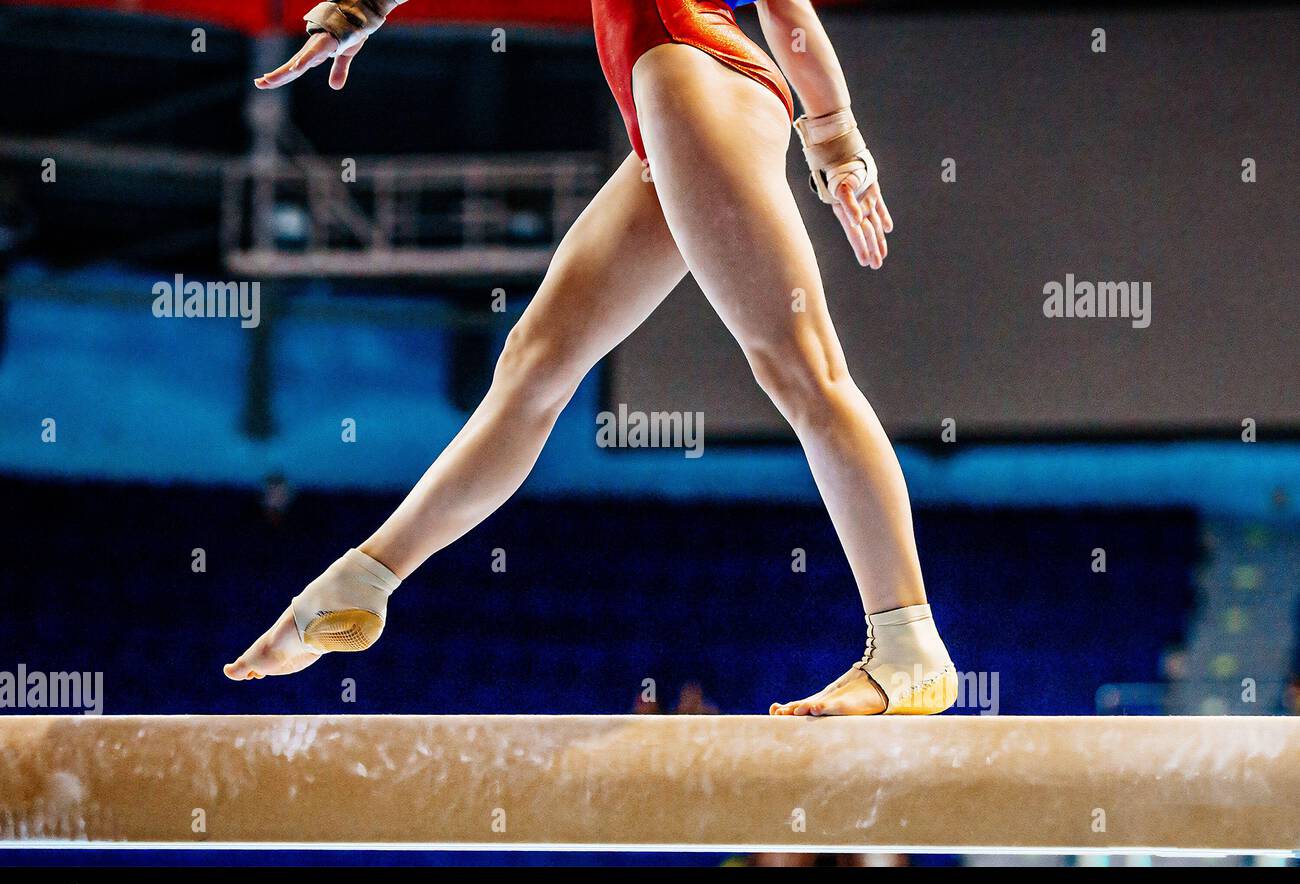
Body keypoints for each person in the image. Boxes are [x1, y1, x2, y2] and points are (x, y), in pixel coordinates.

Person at [225, 0, 958, 716]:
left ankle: (907, 644)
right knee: (533, 368)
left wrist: (836, 141)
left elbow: (786, 8)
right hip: (674, 92)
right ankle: (362, 580)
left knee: (801, 368)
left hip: (695, 70)